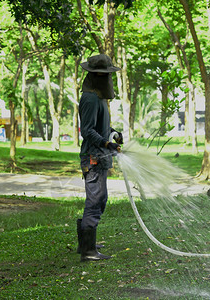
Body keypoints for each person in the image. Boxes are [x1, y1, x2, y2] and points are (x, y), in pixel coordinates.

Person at [76, 54, 123, 262]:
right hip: (93, 157)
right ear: (95, 76)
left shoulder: (99, 98)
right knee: (95, 201)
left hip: (100, 156)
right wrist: (105, 143)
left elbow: (99, 127)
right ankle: (88, 251)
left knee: (100, 199)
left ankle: (86, 243)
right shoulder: (90, 98)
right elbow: (87, 130)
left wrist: (113, 133)